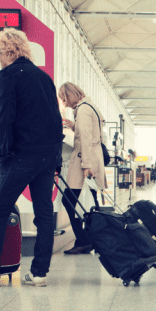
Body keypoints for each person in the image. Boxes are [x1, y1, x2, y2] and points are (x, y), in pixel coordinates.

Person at [0, 28, 63, 288]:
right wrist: (55, 161)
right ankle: (39, 273)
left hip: (20, 156)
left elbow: (4, 118)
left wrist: (2, 155)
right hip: (46, 157)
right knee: (44, 214)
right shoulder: (44, 77)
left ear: (6, 51)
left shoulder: (7, 75)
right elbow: (55, 121)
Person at [58, 82, 105, 255]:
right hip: (91, 158)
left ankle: (84, 240)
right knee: (92, 202)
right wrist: (73, 126)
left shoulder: (83, 109)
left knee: (68, 201)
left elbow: (85, 139)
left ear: (70, 95)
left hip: (84, 162)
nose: (64, 103)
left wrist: (86, 166)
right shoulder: (89, 106)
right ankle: (91, 239)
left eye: (64, 98)